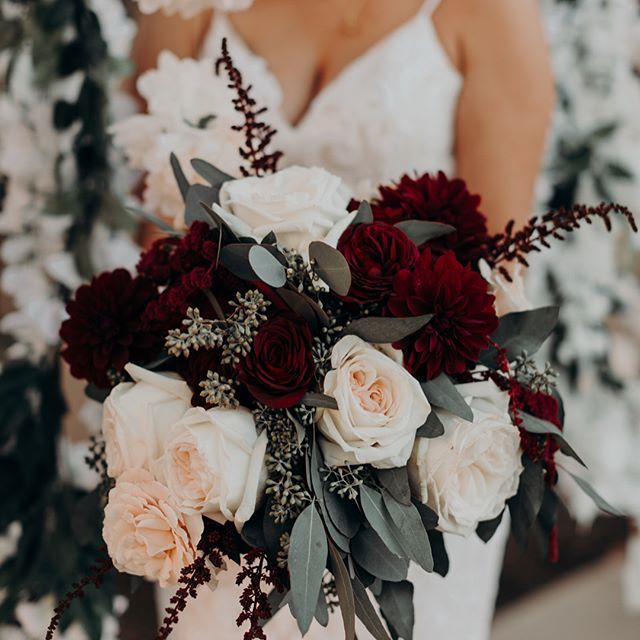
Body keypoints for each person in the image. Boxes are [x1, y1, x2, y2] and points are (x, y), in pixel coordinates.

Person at [130, 1, 554, 637]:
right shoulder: (186, 6)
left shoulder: (489, 15)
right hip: (215, 459)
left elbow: (491, 284)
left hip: (406, 474)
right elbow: (157, 247)